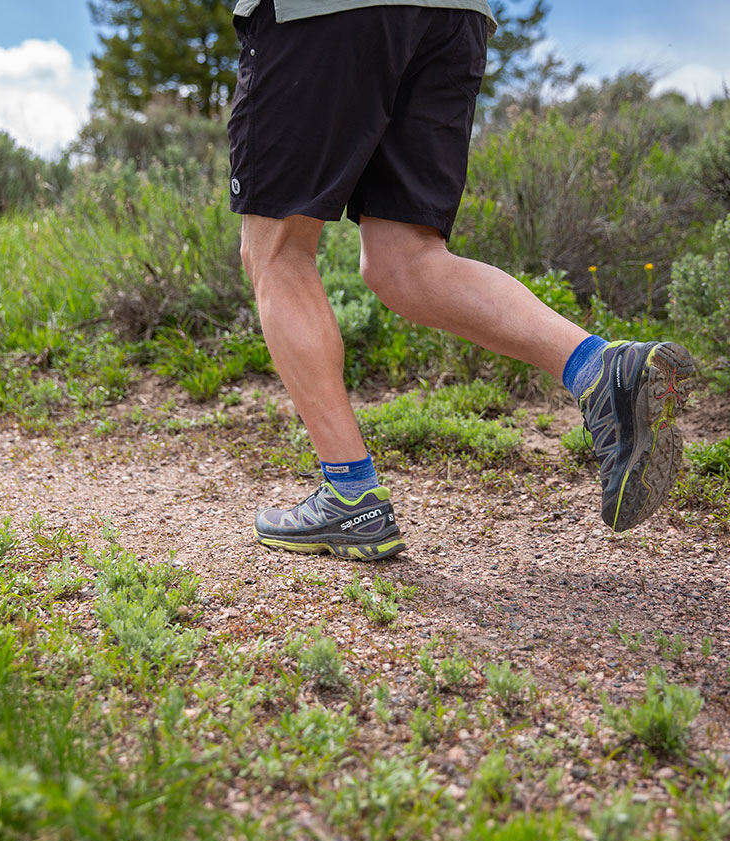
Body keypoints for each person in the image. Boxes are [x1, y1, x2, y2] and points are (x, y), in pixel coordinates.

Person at [227, 0, 695, 561]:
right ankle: (599, 368)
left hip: (322, 14)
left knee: (276, 251)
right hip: (453, 14)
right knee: (405, 261)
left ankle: (352, 496)